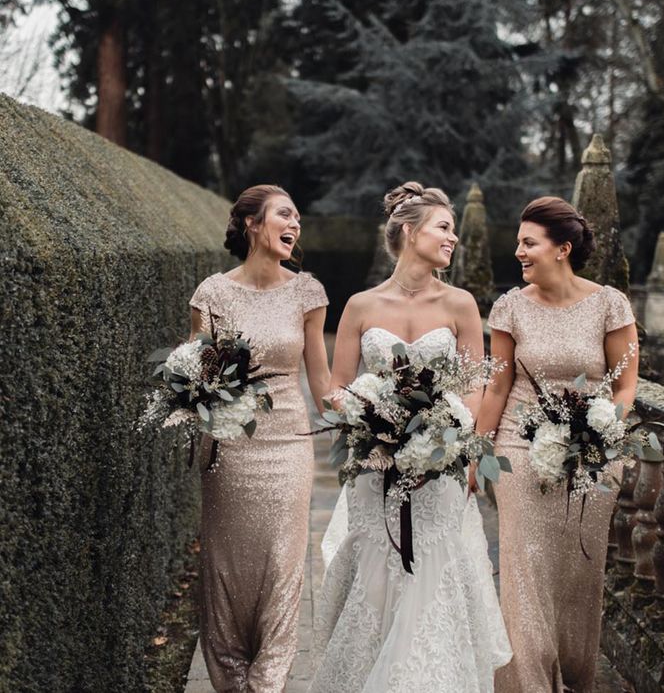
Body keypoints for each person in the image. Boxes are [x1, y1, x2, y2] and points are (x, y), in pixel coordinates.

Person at [309, 181, 511, 693]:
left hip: (440, 470)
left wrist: (448, 443)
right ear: (409, 231)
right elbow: (338, 390)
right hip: (377, 471)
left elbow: (473, 391)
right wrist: (376, 421)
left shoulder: (462, 304)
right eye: (444, 228)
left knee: (435, 575)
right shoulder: (359, 305)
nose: (453, 239)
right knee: (379, 572)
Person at [477, 196, 638, 692]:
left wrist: (602, 428)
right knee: (524, 579)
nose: (519, 252)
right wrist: (477, 451)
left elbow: (626, 384)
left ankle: (573, 679)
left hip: (591, 460)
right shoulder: (508, 307)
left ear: (562, 248)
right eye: (518, 243)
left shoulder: (610, 303)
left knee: (577, 582)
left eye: (529, 243)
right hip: (519, 455)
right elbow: (498, 386)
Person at [188, 185, 330, 692]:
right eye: (284, 215)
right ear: (252, 223)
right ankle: (228, 676)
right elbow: (195, 372)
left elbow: (323, 384)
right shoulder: (212, 293)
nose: (294, 225)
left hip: (289, 444)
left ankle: (267, 684)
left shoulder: (308, 292)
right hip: (228, 447)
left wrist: (383, 415)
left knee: (283, 565)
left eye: (297, 218)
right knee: (226, 567)